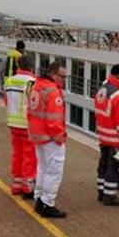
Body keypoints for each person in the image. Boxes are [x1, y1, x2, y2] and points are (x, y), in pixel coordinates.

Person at [27, 60, 69, 218]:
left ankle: (39, 198)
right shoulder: (53, 92)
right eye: (62, 76)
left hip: (38, 136)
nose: (64, 80)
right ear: (53, 74)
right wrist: (60, 137)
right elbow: (54, 120)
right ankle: (47, 203)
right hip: (51, 138)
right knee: (54, 171)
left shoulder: (37, 86)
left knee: (43, 168)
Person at [93, 63, 119, 206]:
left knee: (103, 164)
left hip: (103, 134)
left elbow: (97, 112)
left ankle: (101, 191)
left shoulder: (102, 90)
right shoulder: (118, 95)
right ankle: (110, 195)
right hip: (114, 137)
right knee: (113, 166)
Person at [2, 53, 38, 198]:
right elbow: (35, 103)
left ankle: (16, 185)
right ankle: (28, 187)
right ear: (31, 66)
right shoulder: (32, 82)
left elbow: (6, 100)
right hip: (27, 124)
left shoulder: (9, 81)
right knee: (30, 156)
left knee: (17, 154)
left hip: (13, 123)